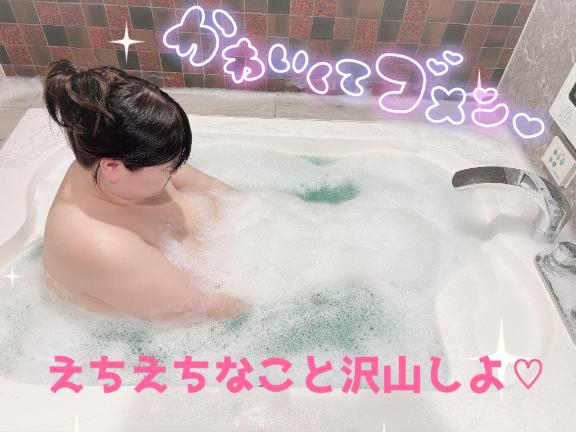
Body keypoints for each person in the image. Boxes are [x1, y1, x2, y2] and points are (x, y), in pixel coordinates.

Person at [41, 59, 248, 325]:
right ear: (113, 168)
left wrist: (261, 215)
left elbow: (213, 188)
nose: (175, 171)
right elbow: (200, 309)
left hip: (222, 262)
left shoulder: (122, 155)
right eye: (168, 169)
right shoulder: (99, 246)